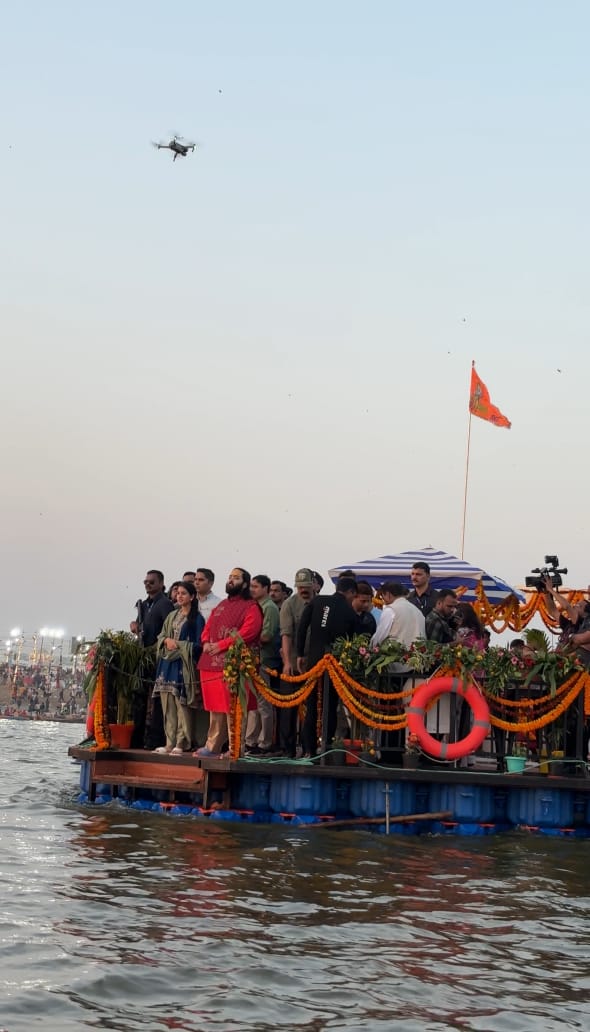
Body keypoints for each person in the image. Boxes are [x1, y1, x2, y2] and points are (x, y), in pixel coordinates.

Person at [195, 568, 263, 757]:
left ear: (245, 583)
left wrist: (221, 645)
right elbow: (208, 627)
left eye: (236, 578)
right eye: (230, 577)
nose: (231, 580)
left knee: (234, 707)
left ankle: (236, 748)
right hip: (210, 662)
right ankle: (212, 746)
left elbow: (248, 632)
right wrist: (206, 642)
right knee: (215, 708)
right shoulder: (222, 605)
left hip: (234, 665)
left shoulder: (251, 606)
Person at [296, 575, 358, 756]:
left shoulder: (318, 601)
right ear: (351, 592)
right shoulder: (349, 611)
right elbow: (354, 639)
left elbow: (302, 627)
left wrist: (299, 653)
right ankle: (326, 747)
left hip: (314, 661)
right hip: (335, 665)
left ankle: (308, 749)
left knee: (311, 705)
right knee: (330, 706)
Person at [153, 582, 204, 754]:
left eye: (184, 593)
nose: (179, 596)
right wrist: (166, 641)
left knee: (182, 704)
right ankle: (169, 742)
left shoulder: (197, 618)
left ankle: (182, 742)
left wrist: (179, 645)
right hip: (167, 664)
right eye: (178, 593)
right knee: (167, 705)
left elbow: (198, 645)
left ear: (192, 596)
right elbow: (161, 635)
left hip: (183, 664)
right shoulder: (172, 615)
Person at [130, 570, 174, 748]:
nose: (148, 584)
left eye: (151, 582)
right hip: (143, 656)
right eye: (146, 582)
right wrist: (134, 625)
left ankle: (155, 739)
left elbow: (168, 631)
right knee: (139, 697)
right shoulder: (144, 604)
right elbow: (140, 626)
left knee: (156, 700)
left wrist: (156, 647)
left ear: (161, 583)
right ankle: (137, 737)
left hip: (158, 656)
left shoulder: (165, 604)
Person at [278, 568, 316, 756]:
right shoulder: (289, 604)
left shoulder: (320, 603)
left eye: (306, 586)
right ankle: (288, 750)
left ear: (313, 585)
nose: (303, 590)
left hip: (314, 665)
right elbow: (286, 635)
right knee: (288, 708)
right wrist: (287, 662)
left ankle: (309, 748)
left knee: (312, 709)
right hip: (293, 664)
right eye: (300, 587)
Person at [244, 575, 280, 756]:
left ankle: (265, 742)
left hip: (264, 660)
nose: (252, 590)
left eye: (256, 586)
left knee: (263, 704)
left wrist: (245, 636)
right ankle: (250, 741)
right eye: (251, 586)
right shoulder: (252, 606)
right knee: (252, 703)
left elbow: (267, 636)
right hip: (251, 660)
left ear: (265, 588)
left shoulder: (269, 608)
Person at [371, 582, 425, 648]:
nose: (383, 600)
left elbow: (380, 636)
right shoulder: (418, 611)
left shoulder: (390, 610)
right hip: (418, 652)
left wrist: (371, 647)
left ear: (388, 594)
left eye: (382, 596)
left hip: (397, 652)